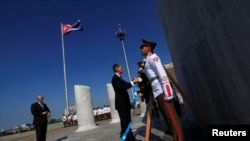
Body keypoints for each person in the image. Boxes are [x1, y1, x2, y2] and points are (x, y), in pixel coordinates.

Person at [139, 39, 184, 141]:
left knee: (172, 118)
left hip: (162, 90)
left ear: (149, 48)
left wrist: (167, 92)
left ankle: (180, 139)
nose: (140, 49)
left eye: (143, 47)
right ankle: (176, 137)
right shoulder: (147, 59)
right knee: (167, 118)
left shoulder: (153, 57)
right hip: (157, 91)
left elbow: (162, 74)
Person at [111, 63, 141, 141]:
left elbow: (127, 84)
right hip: (121, 104)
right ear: (116, 69)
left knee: (127, 122)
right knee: (124, 122)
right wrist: (133, 82)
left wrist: (134, 80)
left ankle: (131, 139)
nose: (123, 68)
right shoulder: (115, 79)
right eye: (121, 67)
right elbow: (122, 87)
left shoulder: (119, 78)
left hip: (125, 104)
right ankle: (128, 139)